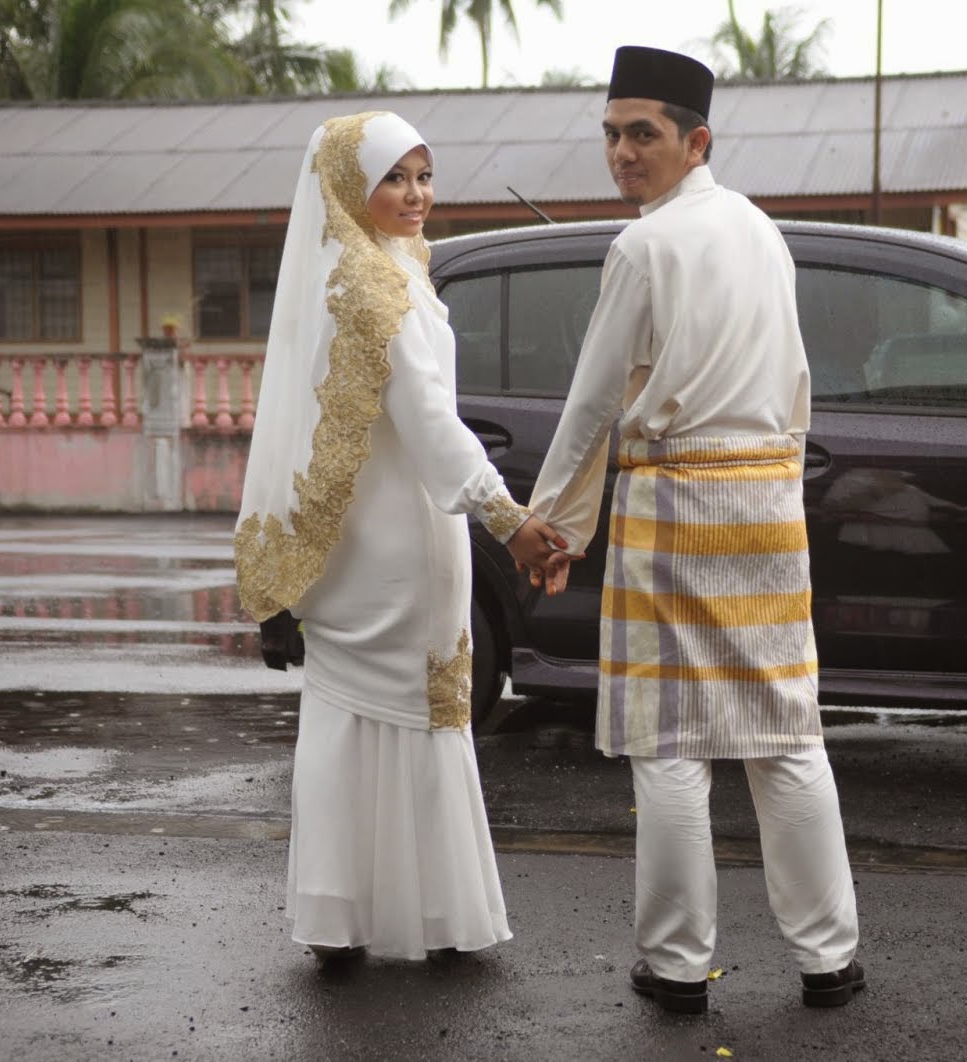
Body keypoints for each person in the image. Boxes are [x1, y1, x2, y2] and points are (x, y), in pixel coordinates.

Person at [525, 47, 864, 1014]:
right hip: (766, 502)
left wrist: (552, 527)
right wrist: (773, 477)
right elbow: (796, 381)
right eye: (612, 133)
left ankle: (676, 968)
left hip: (673, 500)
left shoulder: (644, 248)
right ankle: (830, 960)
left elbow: (593, 407)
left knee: (671, 745)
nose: (622, 153)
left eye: (643, 134)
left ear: (695, 140)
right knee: (785, 733)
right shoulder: (764, 232)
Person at [233, 111, 566, 964]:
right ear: (352, 188)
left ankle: (338, 922)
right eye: (394, 178)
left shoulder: (356, 270)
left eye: (424, 174)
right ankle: (437, 918)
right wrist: (512, 520)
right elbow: (432, 425)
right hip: (406, 541)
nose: (415, 195)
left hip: (349, 542)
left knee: (344, 723)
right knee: (423, 717)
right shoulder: (378, 286)